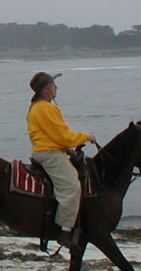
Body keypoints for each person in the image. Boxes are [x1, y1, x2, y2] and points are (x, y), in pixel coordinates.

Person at [27, 71, 96, 248]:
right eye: (53, 84)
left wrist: (67, 150)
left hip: (49, 149)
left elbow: (51, 135)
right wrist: (86, 136)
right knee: (72, 187)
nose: (56, 88)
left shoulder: (37, 107)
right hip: (49, 153)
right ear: (46, 89)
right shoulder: (46, 108)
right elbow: (64, 135)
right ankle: (64, 230)